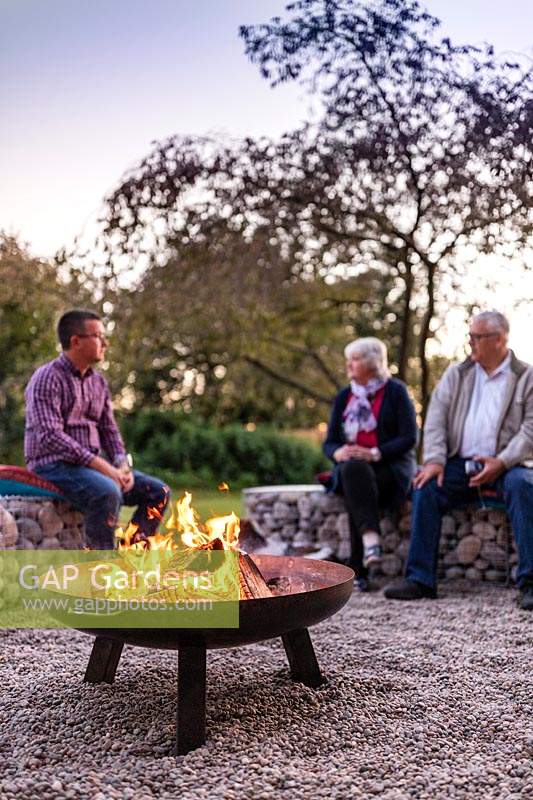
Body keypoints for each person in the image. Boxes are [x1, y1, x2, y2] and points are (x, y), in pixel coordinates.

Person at [385, 311, 533, 611]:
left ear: (499, 339)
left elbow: (530, 429)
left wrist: (501, 462)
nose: (471, 343)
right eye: (470, 336)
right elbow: (436, 419)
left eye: (476, 337)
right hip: (458, 464)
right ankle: (420, 580)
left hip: (508, 466)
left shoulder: (526, 376)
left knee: (524, 487)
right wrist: (436, 460)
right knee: (426, 486)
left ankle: (530, 584)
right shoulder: (458, 373)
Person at [24, 309, 169, 549]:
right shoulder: (47, 378)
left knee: (158, 492)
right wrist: (104, 467)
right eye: (99, 336)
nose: (105, 342)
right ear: (76, 341)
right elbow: (50, 437)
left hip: (90, 466)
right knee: (107, 492)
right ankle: (101, 571)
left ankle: (131, 557)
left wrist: (122, 465)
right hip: (53, 465)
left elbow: (109, 431)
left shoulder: (98, 382)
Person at [323, 337, 417, 590]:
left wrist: (375, 453)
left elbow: (409, 437)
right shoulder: (345, 396)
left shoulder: (396, 391)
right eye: (348, 360)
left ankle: (358, 568)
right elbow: (329, 443)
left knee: (356, 478)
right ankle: (370, 541)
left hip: (390, 470)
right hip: (353, 470)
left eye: (354, 359)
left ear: (372, 362)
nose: (348, 366)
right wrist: (339, 452)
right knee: (353, 470)